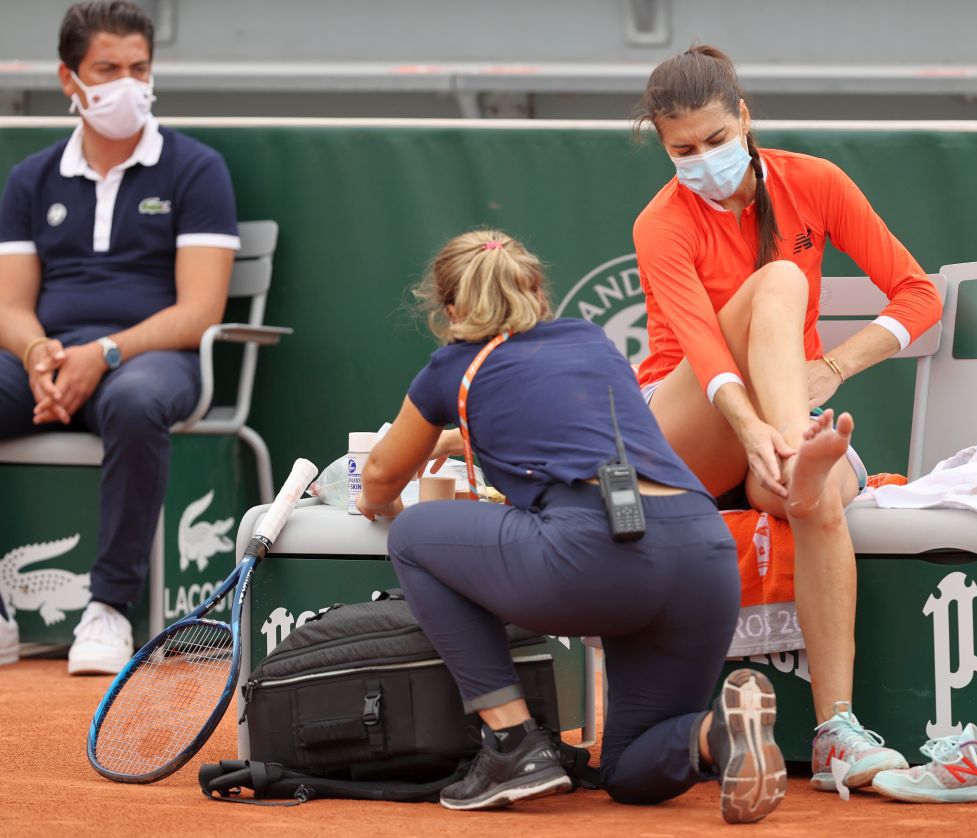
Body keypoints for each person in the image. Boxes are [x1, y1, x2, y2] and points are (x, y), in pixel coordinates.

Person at [354, 229, 865, 822]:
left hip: (597, 556)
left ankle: (512, 742)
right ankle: (719, 734)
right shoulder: (589, 340)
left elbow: (382, 478)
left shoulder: (453, 367)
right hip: (701, 554)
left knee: (415, 538)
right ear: (537, 292)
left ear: (449, 310)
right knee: (627, 769)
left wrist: (379, 503)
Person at [632, 45, 943, 792]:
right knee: (776, 282)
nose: (703, 159)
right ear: (663, 147)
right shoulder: (661, 223)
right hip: (690, 431)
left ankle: (836, 728)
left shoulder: (816, 182)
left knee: (821, 495)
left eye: (715, 139)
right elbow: (706, 355)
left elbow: (917, 295)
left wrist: (831, 368)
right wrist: (763, 431)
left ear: (745, 117)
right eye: (683, 150)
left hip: (779, 419)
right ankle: (798, 448)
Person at [0, 2, 240, 674]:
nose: (126, 84)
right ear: (70, 79)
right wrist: (39, 353)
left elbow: (201, 308)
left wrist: (106, 353)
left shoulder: (196, 169)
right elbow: (7, 306)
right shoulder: (31, 179)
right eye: (107, 69)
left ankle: (109, 610)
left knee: (133, 400)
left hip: (155, 363)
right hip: (55, 356)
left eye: (139, 68)